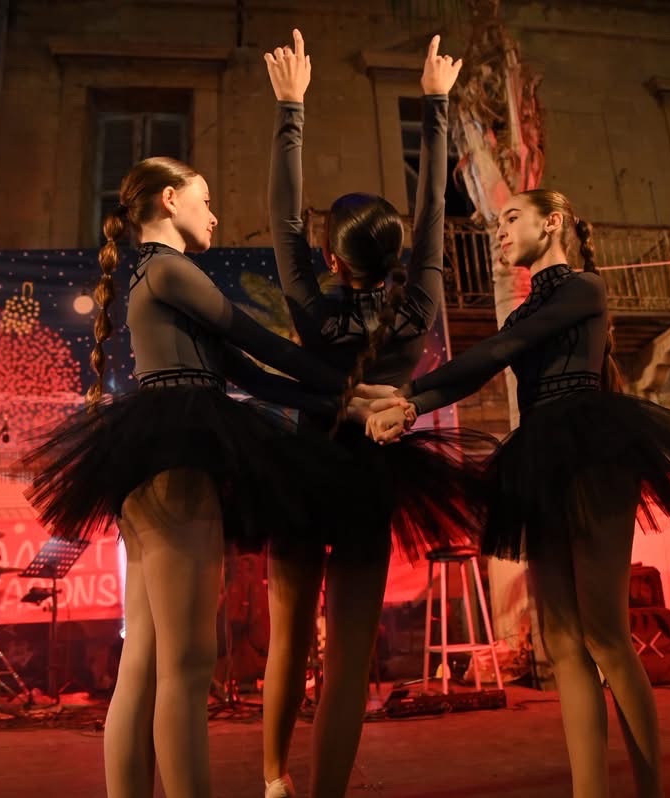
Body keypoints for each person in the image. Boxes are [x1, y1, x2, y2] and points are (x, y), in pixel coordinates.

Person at [21, 156, 387, 798]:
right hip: (177, 456)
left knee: (146, 660)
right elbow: (260, 342)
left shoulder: (153, 274)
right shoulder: (170, 269)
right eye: (207, 199)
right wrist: (354, 384)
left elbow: (252, 375)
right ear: (170, 199)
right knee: (188, 664)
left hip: (153, 456)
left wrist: (349, 401)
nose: (215, 215)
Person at [368, 190, 670, 798]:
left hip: (592, 450)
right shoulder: (523, 312)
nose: (500, 231)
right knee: (561, 640)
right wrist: (412, 404)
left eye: (512, 218)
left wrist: (411, 398)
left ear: (553, 222)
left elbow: (498, 351)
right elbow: (486, 364)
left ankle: (649, 790)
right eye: (498, 223)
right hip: (538, 454)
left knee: (606, 635)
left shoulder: (584, 288)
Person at [261, 31, 492, 798]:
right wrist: (435, 103)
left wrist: (291, 108)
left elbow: (283, 221)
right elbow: (433, 215)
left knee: (289, 641)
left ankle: (273, 779)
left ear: (332, 259)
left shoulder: (313, 306)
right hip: (367, 478)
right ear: (399, 258)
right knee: (350, 657)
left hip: (304, 470)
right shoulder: (418, 302)